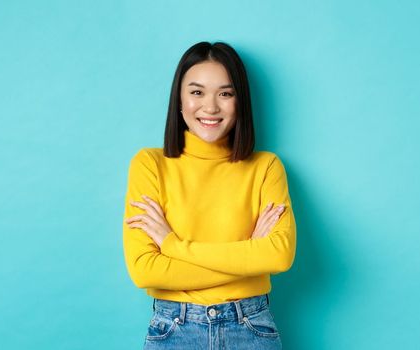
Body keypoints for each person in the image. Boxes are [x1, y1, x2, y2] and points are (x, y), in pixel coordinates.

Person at [122, 41, 296, 349]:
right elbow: (145, 270)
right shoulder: (150, 164)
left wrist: (174, 246)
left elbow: (278, 256)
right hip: (174, 330)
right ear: (179, 98)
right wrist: (248, 254)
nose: (211, 107)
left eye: (226, 93)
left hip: (250, 327)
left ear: (239, 101)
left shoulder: (266, 167)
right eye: (197, 92)